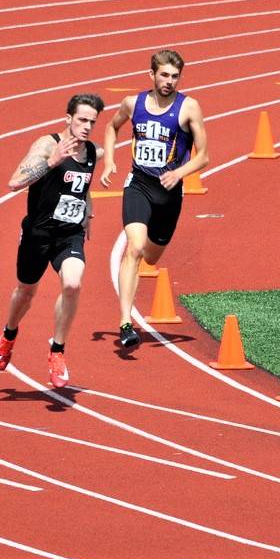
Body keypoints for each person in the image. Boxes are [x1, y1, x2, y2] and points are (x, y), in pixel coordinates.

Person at [0, 93, 104, 388]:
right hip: (38, 233)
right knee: (26, 291)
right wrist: (52, 161)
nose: (87, 126)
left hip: (69, 234)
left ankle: (57, 350)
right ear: (67, 118)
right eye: (81, 120)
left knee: (73, 283)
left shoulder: (92, 152)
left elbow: (82, 184)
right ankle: (9, 333)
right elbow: (14, 182)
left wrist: (88, 211)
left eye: (92, 122)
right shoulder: (46, 144)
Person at [100, 49, 209, 348]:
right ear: (151, 75)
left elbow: (205, 156)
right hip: (139, 184)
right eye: (164, 75)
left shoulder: (189, 108)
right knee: (134, 248)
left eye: (175, 76)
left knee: (151, 255)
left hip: (170, 193)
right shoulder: (133, 103)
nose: (169, 81)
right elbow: (111, 127)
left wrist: (179, 173)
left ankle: (128, 309)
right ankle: (125, 322)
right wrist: (109, 160)